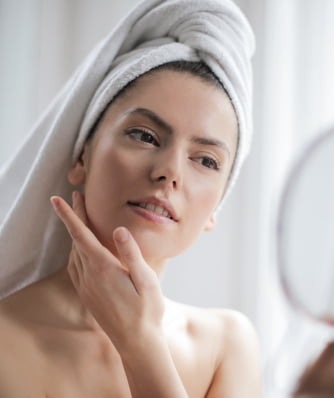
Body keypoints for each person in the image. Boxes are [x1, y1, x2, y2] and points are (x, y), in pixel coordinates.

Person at [0, 0, 262, 396]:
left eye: (206, 160)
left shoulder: (226, 346)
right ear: (81, 157)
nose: (170, 172)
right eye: (143, 135)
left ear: (217, 207)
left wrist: (141, 344)